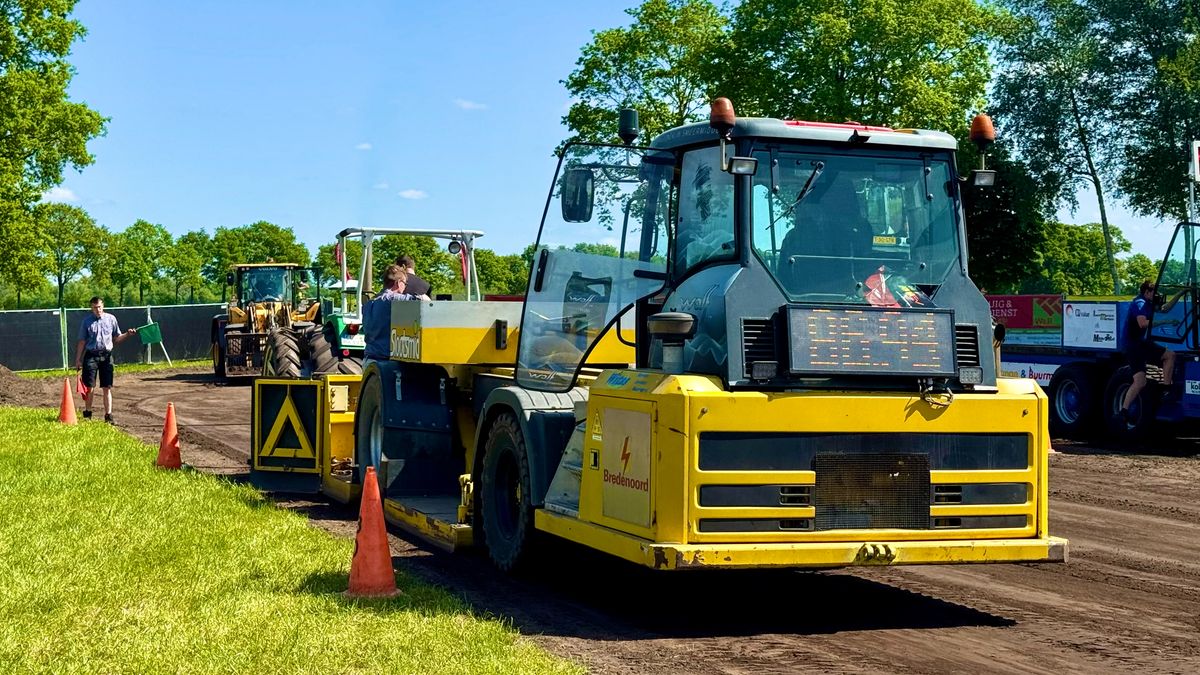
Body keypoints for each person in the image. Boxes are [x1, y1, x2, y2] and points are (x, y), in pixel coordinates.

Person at [1116, 280, 1176, 422]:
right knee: (1168, 357)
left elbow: (1165, 308)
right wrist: (1165, 322)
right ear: (1147, 292)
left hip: (1139, 344)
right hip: (1133, 346)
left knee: (1142, 381)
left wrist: (1181, 293)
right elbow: (1142, 323)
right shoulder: (1140, 303)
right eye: (1154, 292)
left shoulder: (1148, 303)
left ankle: (1123, 412)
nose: (1157, 295)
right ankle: (1166, 390)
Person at [74, 297, 138, 424]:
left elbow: (117, 338)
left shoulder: (111, 319)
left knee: (107, 387)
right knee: (89, 387)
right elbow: (82, 341)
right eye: (94, 307)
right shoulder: (86, 322)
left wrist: (127, 334)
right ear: (91, 308)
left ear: (103, 306)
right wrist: (78, 359)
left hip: (107, 356)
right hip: (91, 356)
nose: (97, 309)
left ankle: (108, 416)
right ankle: (88, 414)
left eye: (99, 307)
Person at [363, 265, 430, 364]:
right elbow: (425, 302)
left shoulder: (369, 303)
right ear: (399, 283)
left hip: (368, 358)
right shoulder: (393, 299)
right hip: (386, 361)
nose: (405, 287)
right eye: (405, 284)